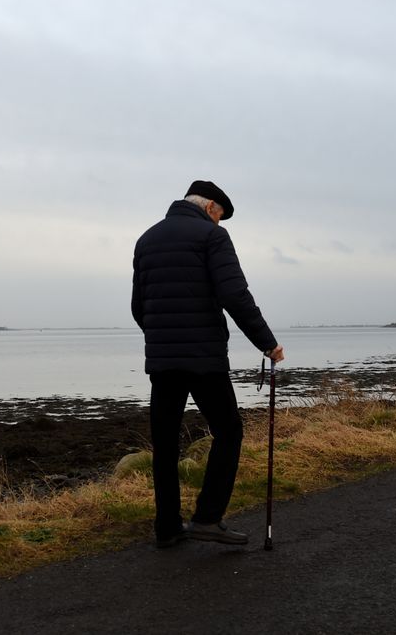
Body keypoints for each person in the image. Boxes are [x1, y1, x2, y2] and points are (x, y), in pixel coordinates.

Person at [131, 180, 285, 548]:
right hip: (203, 359)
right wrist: (267, 343)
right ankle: (208, 518)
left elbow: (140, 307)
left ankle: (167, 526)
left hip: (163, 359)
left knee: (165, 444)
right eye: (219, 216)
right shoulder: (212, 237)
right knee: (229, 431)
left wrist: (162, 337)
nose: (219, 222)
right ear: (211, 207)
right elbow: (234, 294)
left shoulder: (146, 239)